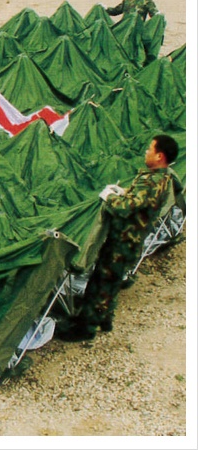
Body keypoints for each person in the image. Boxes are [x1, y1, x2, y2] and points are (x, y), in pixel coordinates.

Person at [60, 135, 181, 342]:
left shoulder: (152, 182)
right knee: (112, 281)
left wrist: (110, 197)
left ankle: (85, 328)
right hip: (129, 241)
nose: (146, 152)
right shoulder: (162, 178)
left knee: (102, 282)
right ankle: (105, 318)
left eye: (150, 149)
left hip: (123, 242)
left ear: (159, 156)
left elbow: (124, 208)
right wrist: (123, 192)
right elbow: (139, 201)